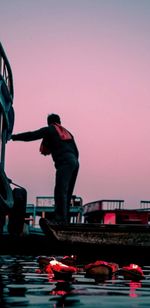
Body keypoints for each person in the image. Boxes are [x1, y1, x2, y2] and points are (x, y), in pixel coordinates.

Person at [11, 114, 79, 224]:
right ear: (59, 122)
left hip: (65, 162)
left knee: (60, 191)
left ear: (49, 122)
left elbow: (31, 135)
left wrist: (14, 137)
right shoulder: (68, 133)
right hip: (75, 163)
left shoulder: (50, 129)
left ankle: (59, 219)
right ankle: (64, 220)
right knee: (67, 193)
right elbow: (76, 151)